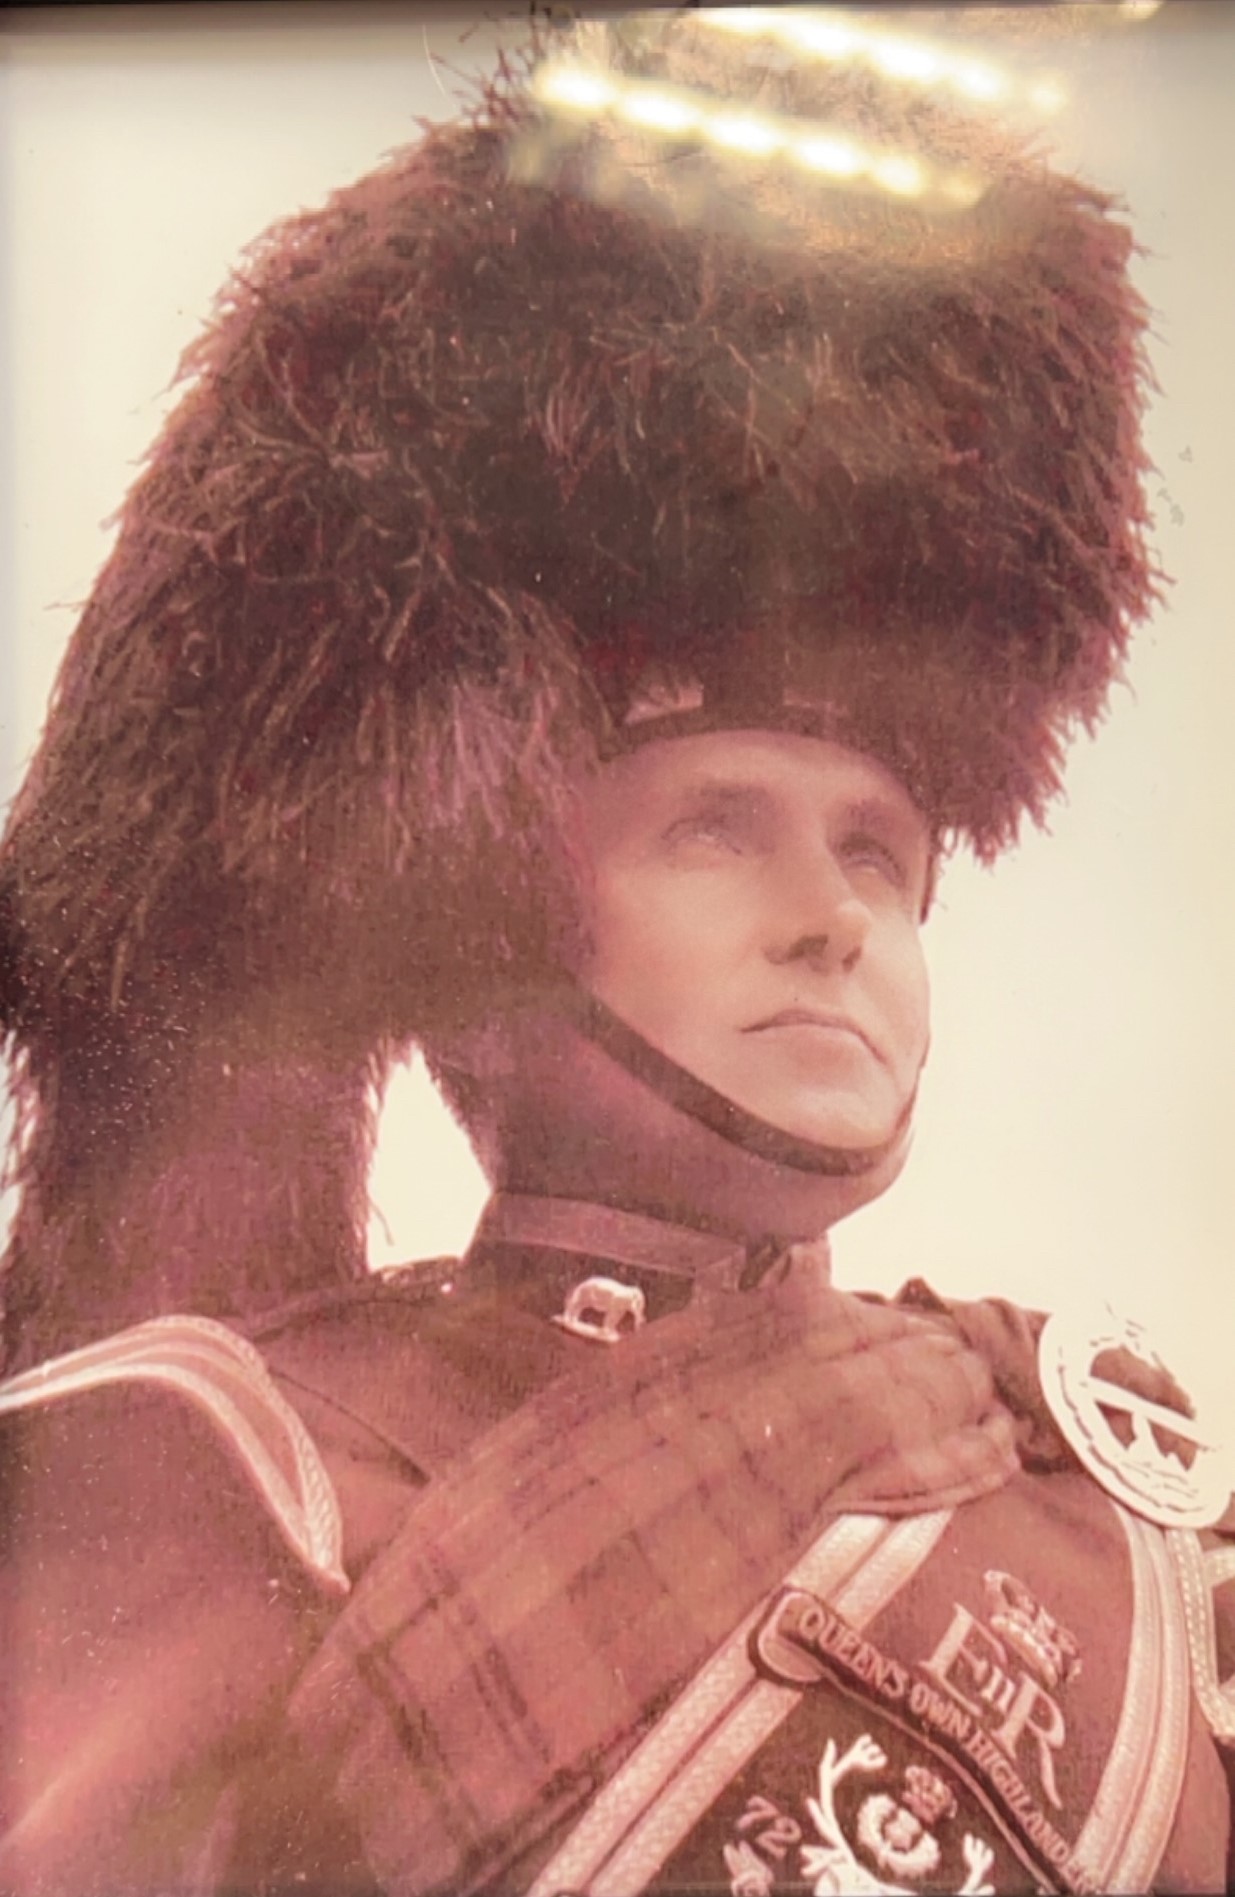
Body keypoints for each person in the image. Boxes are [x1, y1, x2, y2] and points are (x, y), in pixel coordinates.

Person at [0, 11, 1231, 1895]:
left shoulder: (1122, 1533)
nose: (835, 912)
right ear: (484, 924)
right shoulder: (219, 1461)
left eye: (880, 854)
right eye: (715, 828)